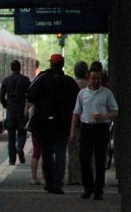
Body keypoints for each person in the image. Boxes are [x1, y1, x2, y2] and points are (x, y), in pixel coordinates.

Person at [27, 54, 80, 194]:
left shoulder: (42, 78)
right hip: (63, 123)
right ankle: (58, 183)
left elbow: (30, 95)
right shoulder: (69, 81)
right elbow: (78, 101)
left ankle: (49, 182)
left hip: (45, 123)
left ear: (51, 64)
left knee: (47, 153)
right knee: (61, 153)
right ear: (62, 65)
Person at [70, 67, 118, 199]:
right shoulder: (82, 94)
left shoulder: (106, 93)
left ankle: (98, 190)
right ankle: (88, 187)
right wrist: (73, 132)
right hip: (86, 128)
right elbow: (76, 113)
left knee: (100, 160)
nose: (96, 81)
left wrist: (105, 116)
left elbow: (115, 111)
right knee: (84, 159)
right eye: (94, 78)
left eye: (98, 78)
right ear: (88, 79)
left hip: (101, 128)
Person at [0, 59, 30, 165]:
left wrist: (5, 104)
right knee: (22, 132)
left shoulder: (6, 80)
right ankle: (19, 147)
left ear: (11, 68)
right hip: (21, 110)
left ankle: (12, 159)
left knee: (11, 135)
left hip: (10, 110)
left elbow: (1, 96)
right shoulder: (25, 80)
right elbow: (30, 95)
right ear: (20, 68)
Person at [67, 61, 89, 185]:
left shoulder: (70, 85)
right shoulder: (90, 86)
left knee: (73, 152)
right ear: (86, 73)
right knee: (88, 152)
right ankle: (87, 177)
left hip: (73, 122)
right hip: (87, 122)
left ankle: (73, 177)